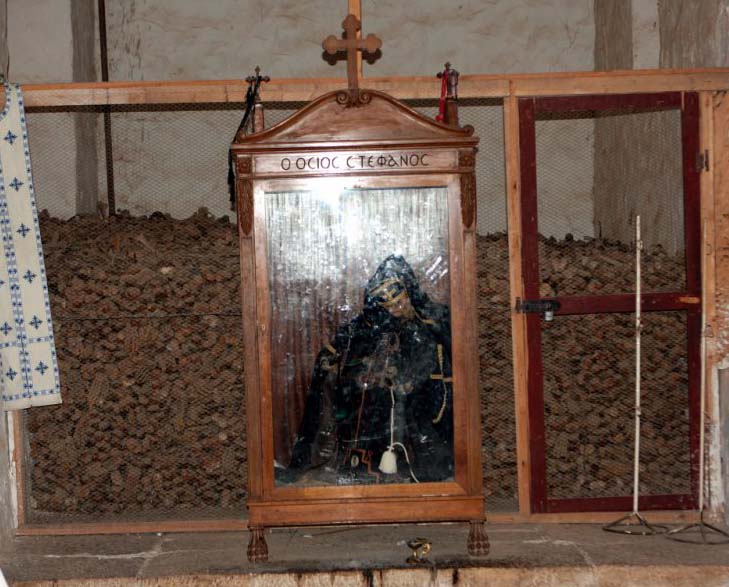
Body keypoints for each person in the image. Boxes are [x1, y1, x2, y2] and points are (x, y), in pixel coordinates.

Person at [278, 255, 454, 485]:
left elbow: (432, 355)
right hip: (375, 398)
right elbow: (351, 336)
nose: (398, 308)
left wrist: (406, 379)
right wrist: (331, 360)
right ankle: (351, 463)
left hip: (426, 396)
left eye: (400, 301)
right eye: (390, 305)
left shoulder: (431, 318)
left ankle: (411, 469)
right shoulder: (374, 324)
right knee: (360, 398)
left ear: (409, 293)